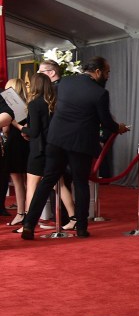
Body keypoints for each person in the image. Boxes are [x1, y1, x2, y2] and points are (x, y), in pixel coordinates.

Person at [20, 56, 129, 240]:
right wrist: (119, 127)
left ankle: (29, 224)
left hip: (56, 139)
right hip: (80, 143)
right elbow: (106, 122)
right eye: (107, 72)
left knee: (47, 181)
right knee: (80, 183)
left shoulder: (65, 83)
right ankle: (81, 228)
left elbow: (53, 106)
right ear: (97, 72)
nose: (108, 75)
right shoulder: (100, 93)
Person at [18, 73, 78, 233]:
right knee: (61, 185)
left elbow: (35, 130)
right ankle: (74, 218)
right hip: (55, 148)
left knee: (31, 186)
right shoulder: (55, 103)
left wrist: (20, 128)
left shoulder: (34, 104)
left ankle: (28, 222)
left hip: (38, 150)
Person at [3, 78, 29, 227]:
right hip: (27, 144)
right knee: (29, 181)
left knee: (18, 182)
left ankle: (20, 213)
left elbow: (6, 129)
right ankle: (29, 211)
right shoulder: (28, 104)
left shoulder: (10, 106)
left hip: (14, 144)